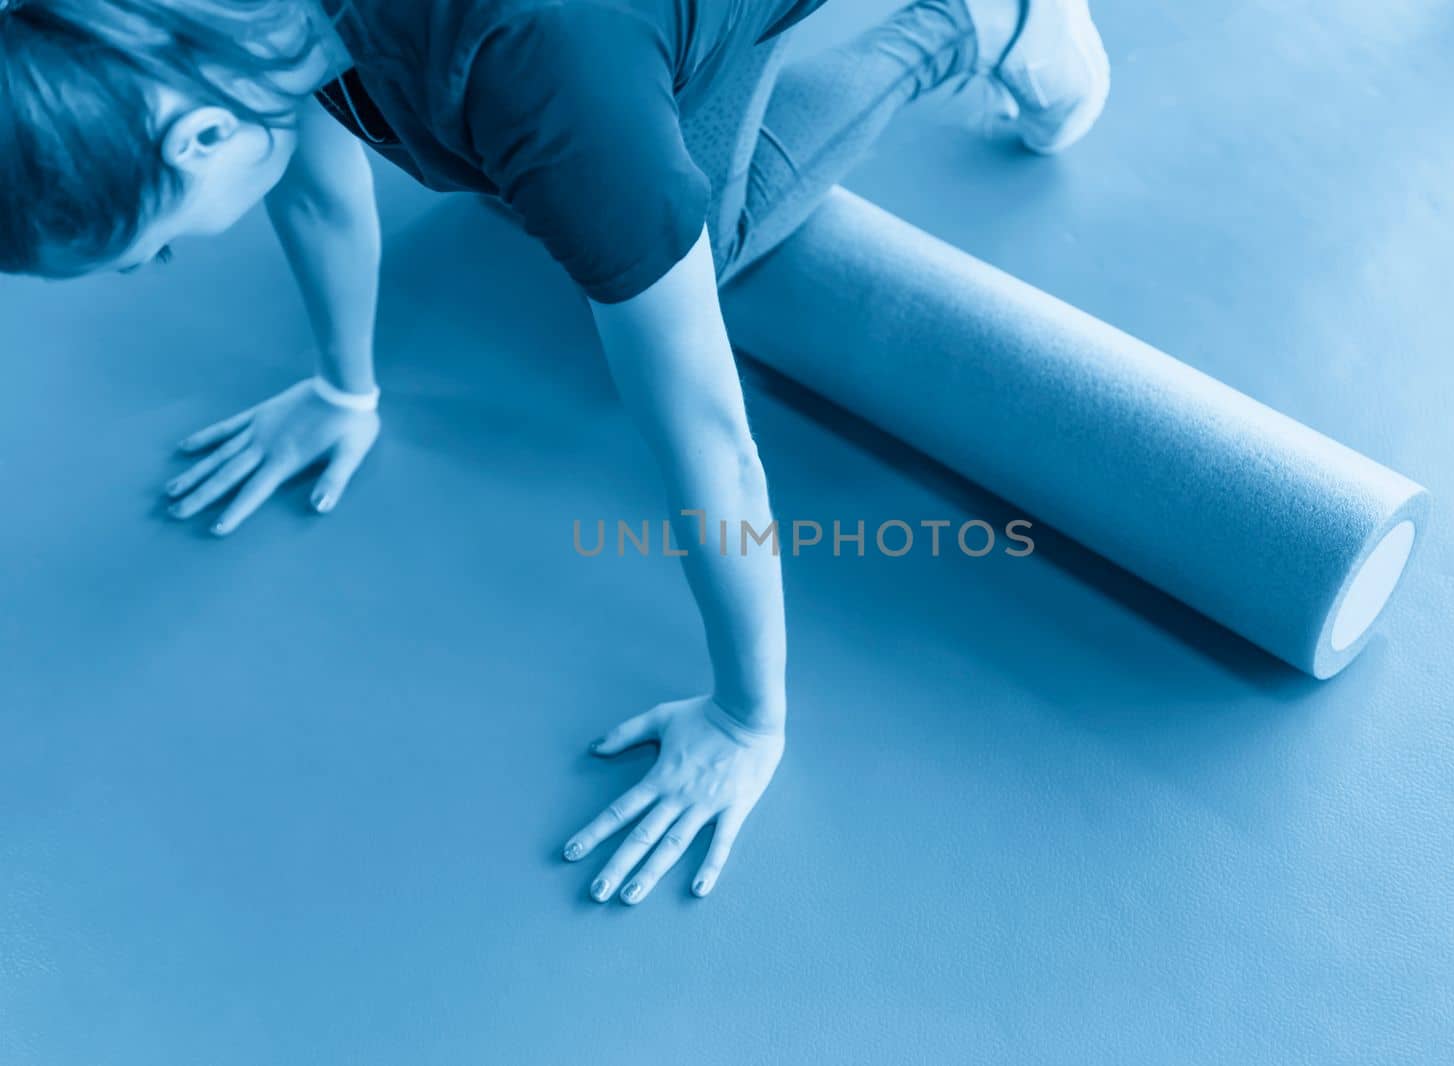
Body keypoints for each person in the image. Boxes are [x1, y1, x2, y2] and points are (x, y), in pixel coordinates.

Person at [0, 0, 1109, 904]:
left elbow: (708, 434)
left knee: (679, 248)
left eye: (145, 255)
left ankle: (977, 23)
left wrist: (744, 713)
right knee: (568, 197)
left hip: (576, 47)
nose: (155, 269)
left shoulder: (541, 74)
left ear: (195, 140)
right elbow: (298, 150)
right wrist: (345, 385)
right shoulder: (205, 31)